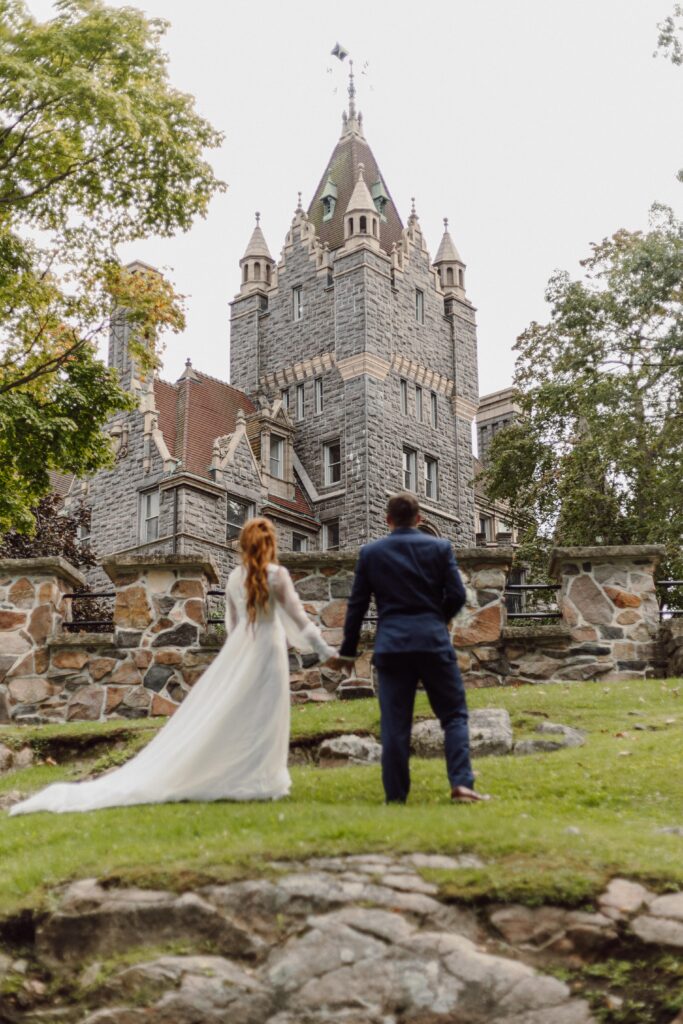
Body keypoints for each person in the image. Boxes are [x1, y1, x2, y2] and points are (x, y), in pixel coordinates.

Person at [10, 519, 337, 815]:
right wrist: (325, 650)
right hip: (268, 650)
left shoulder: (237, 577)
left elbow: (233, 626)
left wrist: (234, 659)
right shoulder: (276, 575)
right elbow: (299, 620)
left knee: (241, 712)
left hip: (243, 651)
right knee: (267, 714)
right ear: (270, 544)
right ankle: (263, 778)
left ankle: (249, 776)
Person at [329, 493, 489, 805]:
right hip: (432, 641)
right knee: (454, 715)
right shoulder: (440, 548)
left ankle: (396, 796)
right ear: (419, 519)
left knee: (394, 723)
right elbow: (456, 595)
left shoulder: (371, 553)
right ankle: (461, 784)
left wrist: (348, 651)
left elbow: (357, 607)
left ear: (387, 520)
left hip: (392, 645)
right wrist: (436, 619)